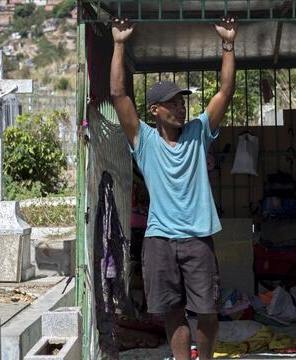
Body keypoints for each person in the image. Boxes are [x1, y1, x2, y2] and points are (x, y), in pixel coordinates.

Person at [110, 16, 238, 360]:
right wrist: (119, 44)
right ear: (155, 110)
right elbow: (118, 93)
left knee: (207, 311)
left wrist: (228, 44)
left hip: (197, 238)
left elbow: (225, 91)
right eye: (173, 103)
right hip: (159, 241)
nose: (181, 107)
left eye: (183, 102)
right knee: (172, 311)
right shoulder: (144, 141)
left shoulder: (199, 132)